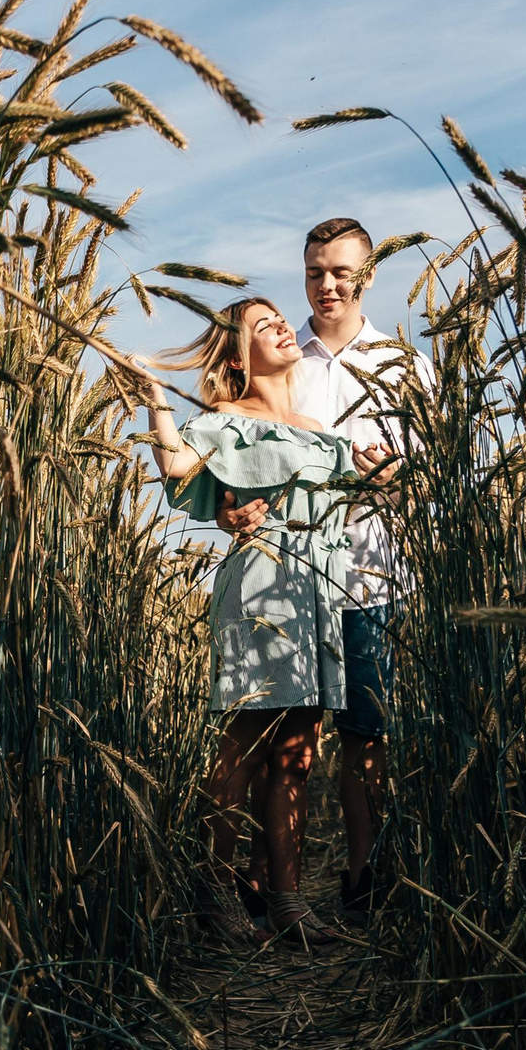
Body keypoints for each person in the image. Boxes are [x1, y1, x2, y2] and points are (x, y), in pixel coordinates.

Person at [218, 217, 431, 915]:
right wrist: (233, 511)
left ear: (368, 274)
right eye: (315, 272)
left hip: (373, 576)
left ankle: (362, 881)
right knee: (286, 742)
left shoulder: (405, 366)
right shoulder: (282, 357)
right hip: (290, 584)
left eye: (341, 271)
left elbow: (431, 479)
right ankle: (260, 886)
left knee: (366, 738)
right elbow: (237, 461)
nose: (327, 284)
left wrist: (397, 480)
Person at [141, 298, 359, 946]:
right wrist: (154, 392)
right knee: (243, 743)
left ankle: (287, 902)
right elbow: (177, 465)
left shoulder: (316, 423)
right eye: (261, 326)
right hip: (264, 578)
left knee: (296, 753)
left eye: (278, 318)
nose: (281, 326)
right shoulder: (228, 419)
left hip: (318, 586)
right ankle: (217, 891)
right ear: (238, 356)